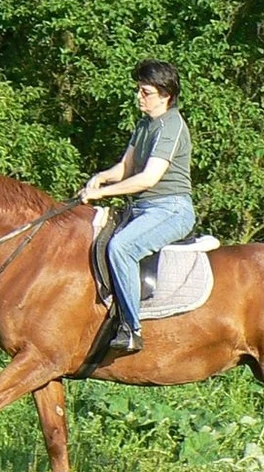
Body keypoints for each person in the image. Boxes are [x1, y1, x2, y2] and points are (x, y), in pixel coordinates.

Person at [80, 59, 196, 353]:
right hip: (143, 209)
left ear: (165, 95)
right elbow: (125, 168)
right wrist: (100, 179)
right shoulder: (145, 124)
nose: (139, 97)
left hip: (171, 210)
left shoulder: (171, 127)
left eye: (145, 92)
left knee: (122, 247)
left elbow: (147, 178)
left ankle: (130, 328)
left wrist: (104, 195)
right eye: (139, 91)